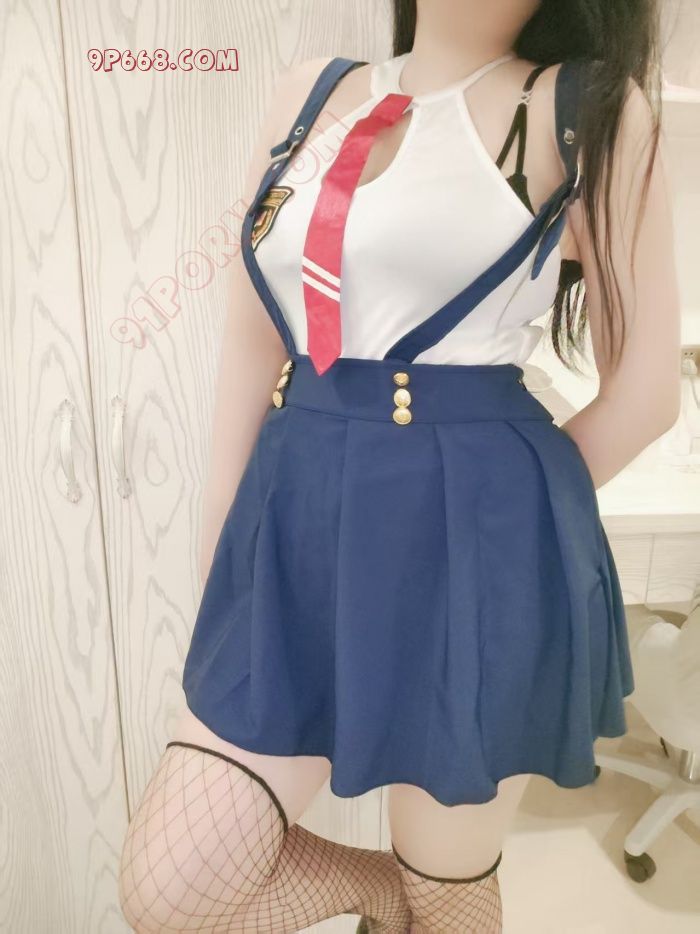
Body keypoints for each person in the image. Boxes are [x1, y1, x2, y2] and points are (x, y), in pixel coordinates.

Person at [118, 1, 681, 931]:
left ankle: (420, 899)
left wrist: (505, 534)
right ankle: (384, 894)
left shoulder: (585, 108)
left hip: (468, 559)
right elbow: (254, 337)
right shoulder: (309, 93)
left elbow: (647, 393)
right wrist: (225, 546)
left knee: (447, 889)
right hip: (295, 537)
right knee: (173, 887)